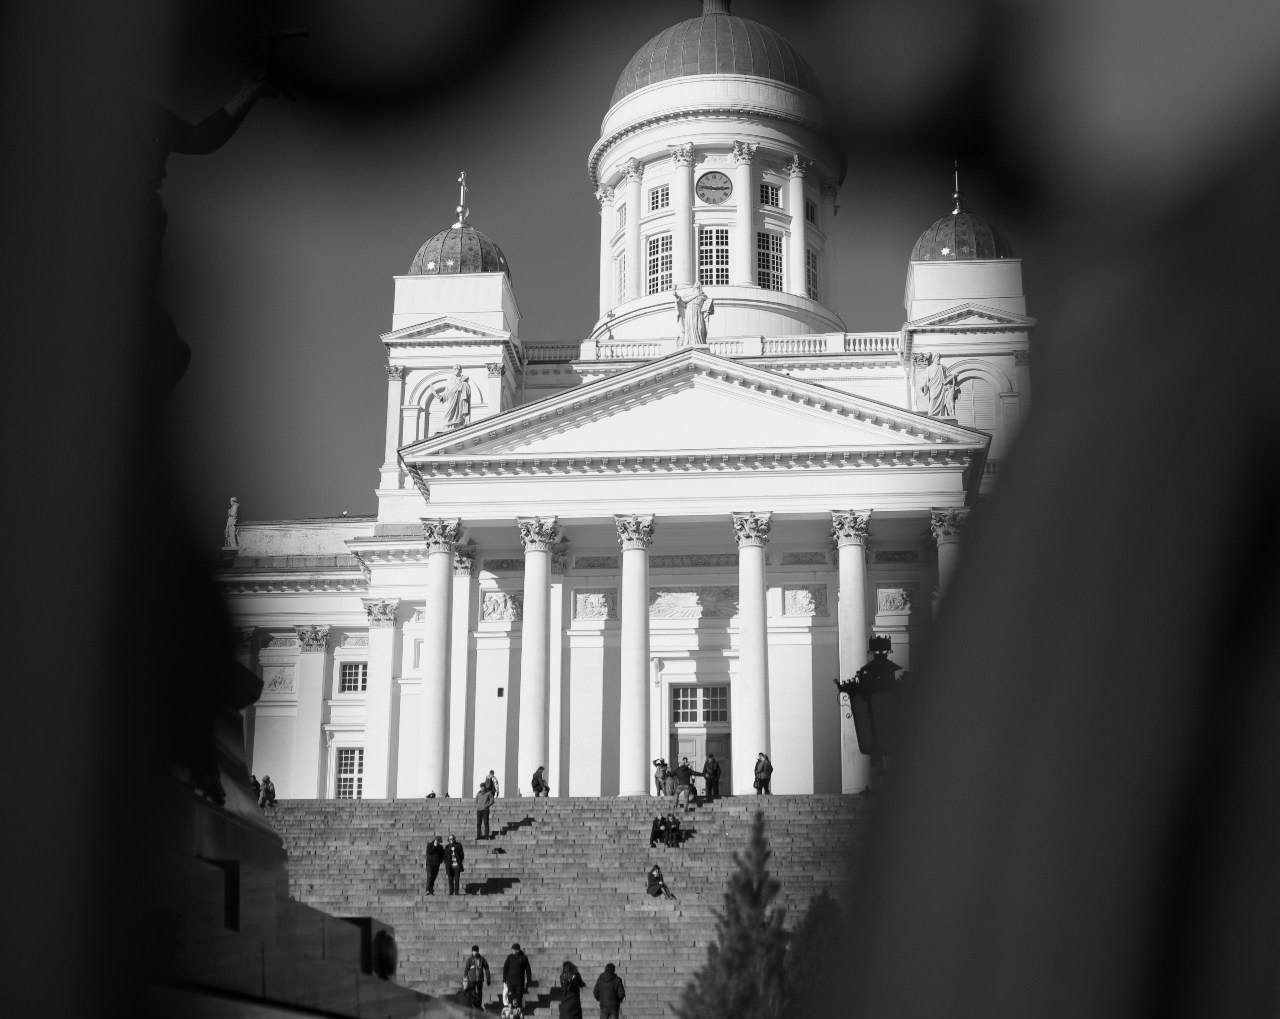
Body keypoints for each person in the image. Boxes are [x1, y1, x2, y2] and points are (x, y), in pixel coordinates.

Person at [502, 942, 534, 1016]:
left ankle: (518, 1009)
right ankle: (510, 1007)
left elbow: (528, 969)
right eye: (512, 949)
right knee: (510, 995)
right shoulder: (509, 957)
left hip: (519, 981)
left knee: (519, 995)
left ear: (518, 950)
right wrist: (504, 979)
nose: (512, 951)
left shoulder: (523, 958)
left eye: (514, 949)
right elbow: (505, 968)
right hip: (510, 980)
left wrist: (529, 980)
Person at [441, 364, 471, 429]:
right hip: (451, 397)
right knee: (448, 411)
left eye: (457, 369)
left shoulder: (464, 378)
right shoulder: (450, 379)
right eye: (454, 369)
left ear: (460, 370)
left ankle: (458, 424)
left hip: (460, 398)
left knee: (459, 412)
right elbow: (447, 390)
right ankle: (447, 425)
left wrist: (462, 385)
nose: (456, 370)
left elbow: (467, 389)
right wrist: (442, 397)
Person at [462, 944, 490, 1011]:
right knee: (472, 992)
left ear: (478, 951)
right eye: (474, 951)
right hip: (472, 979)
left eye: (476, 951)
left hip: (480, 979)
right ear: (472, 952)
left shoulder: (482, 959)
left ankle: (479, 1004)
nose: (475, 952)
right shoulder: (470, 960)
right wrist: (464, 978)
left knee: (479, 992)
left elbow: (487, 968)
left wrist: (488, 978)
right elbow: (466, 969)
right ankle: (472, 1005)